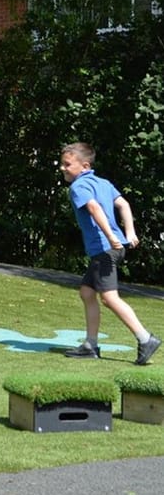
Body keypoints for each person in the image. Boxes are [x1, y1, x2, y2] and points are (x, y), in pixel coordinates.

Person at [59, 142, 160, 364]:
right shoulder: (103, 183)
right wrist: (129, 233)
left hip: (105, 249)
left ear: (84, 166)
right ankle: (90, 345)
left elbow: (94, 209)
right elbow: (123, 204)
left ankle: (145, 339)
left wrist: (112, 237)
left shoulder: (79, 187)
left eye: (67, 164)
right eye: (62, 164)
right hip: (112, 248)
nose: (62, 168)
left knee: (109, 298)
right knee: (87, 292)